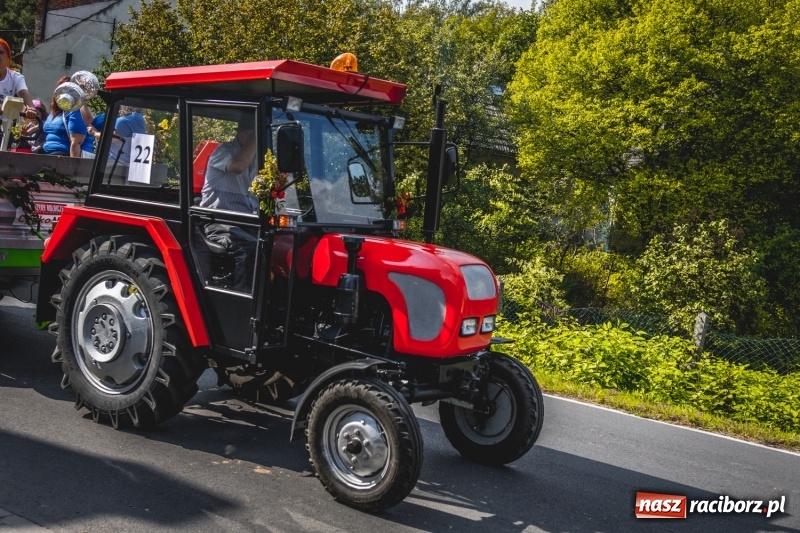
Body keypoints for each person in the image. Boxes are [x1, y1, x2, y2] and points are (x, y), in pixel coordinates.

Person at [199, 116, 259, 290]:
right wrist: (257, 138)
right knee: (250, 247)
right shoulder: (223, 151)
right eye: (257, 137)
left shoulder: (259, 157)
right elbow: (238, 166)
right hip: (219, 220)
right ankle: (244, 303)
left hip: (247, 220)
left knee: (276, 245)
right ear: (243, 136)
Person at [41, 76, 89, 157]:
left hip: (61, 156)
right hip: (46, 153)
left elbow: (76, 142)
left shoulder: (75, 111)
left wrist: (73, 167)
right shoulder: (54, 112)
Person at [0, 37, 37, 120]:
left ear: (8, 56)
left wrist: (30, 108)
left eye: (0, 52)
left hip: (5, 125)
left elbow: (24, 93)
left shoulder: (16, 77)